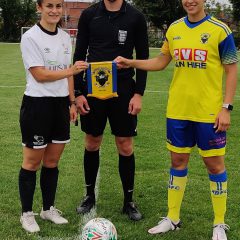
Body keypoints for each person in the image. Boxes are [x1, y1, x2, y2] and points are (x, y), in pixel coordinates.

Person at [115, 0, 238, 239]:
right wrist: (131, 62)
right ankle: (172, 218)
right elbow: (161, 61)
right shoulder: (174, 29)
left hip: (208, 113)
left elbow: (231, 69)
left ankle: (219, 224)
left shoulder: (220, 30)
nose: (189, 1)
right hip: (178, 111)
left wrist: (226, 108)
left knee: (214, 165)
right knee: (178, 161)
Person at [73, 0, 149, 221]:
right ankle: (89, 196)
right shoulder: (89, 14)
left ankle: (129, 201)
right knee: (92, 141)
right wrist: (78, 92)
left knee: (125, 145)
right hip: (93, 90)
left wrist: (138, 93)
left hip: (124, 90)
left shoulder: (135, 17)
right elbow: (79, 53)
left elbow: (142, 58)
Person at [19, 0, 88, 233]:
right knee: (31, 162)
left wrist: (71, 101)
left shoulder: (64, 36)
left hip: (60, 106)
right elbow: (39, 75)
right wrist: (72, 70)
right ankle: (27, 214)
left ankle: (47, 209)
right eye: (49, 5)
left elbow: (66, 72)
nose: (54, 10)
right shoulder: (30, 37)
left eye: (58, 6)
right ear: (39, 7)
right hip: (37, 105)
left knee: (52, 162)